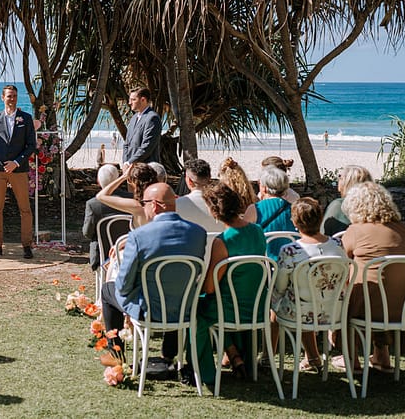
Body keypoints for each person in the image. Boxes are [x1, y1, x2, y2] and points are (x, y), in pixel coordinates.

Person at [97, 182, 206, 369]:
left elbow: (123, 285)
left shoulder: (139, 236)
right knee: (174, 287)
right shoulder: (198, 233)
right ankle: (169, 354)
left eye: (144, 202)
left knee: (108, 290)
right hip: (185, 308)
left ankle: (116, 354)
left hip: (149, 311)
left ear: (154, 205)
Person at [337, 182, 405, 374]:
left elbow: (342, 262)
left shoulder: (356, 230)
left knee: (346, 295)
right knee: (380, 287)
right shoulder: (404, 230)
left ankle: (351, 359)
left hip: (370, 305)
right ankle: (381, 355)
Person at [191, 182, 268, 385]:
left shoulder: (222, 241)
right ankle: (235, 355)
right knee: (217, 303)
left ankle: (205, 373)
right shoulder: (258, 231)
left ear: (214, 211)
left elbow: (209, 287)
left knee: (196, 310)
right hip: (256, 306)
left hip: (229, 309)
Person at [269, 197, 346, 372]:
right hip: (334, 310)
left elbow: (280, 288)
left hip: (302, 311)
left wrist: (272, 299)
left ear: (294, 222)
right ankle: (312, 357)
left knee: (274, 306)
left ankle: (268, 356)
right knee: (303, 299)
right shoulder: (338, 244)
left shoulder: (290, 251)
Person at [0, 85, 37, 259]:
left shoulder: (25, 118)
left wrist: (16, 162)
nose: (12, 99)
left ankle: (26, 246)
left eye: (15, 96)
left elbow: (31, 146)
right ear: (3, 98)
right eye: (9, 96)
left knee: (24, 208)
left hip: (19, 170)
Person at [82, 164, 133, 271]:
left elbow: (87, 232)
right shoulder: (133, 200)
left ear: (98, 181)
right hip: (130, 251)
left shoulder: (93, 204)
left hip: (103, 254)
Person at [251, 165, 298, 259]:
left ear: (264, 188)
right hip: (290, 261)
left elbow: (243, 236)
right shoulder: (294, 209)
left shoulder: (255, 209)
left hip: (264, 262)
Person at [93, 162, 156, 230]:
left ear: (133, 182)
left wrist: (123, 177)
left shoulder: (136, 206)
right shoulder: (162, 202)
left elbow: (100, 196)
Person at [322, 165, 372, 236]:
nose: (338, 179)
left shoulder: (338, 205)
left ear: (347, 183)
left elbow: (323, 233)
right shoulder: (373, 204)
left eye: (340, 177)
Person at [174, 159, 221, 233]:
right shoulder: (222, 202)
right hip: (218, 243)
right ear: (209, 178)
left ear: (189, 181)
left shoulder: (177, 204)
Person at [120, 88, 161, 169]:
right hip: (131, 168)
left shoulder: (152, 118)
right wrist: (125, 162)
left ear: (143, 100)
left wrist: (129, 162)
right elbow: (126, 143)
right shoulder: (134, 118)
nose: (129, 103)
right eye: (130, 100)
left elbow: (147, 146)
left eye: (133, 100)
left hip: (145, 168)